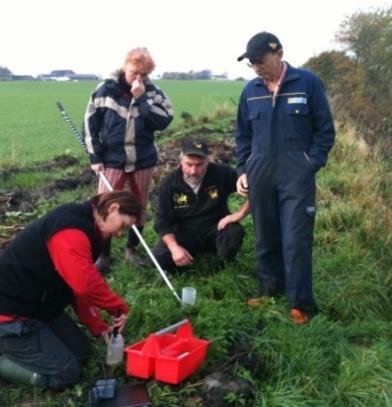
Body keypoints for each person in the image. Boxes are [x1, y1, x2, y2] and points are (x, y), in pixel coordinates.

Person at [235, 32, 335, 324]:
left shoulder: (307, 83)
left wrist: (309, 163)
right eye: (251, 63)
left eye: (260, 61)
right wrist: (243, 169)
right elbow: (242, 135)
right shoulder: (250, 91)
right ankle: (270, 290)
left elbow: (325, 130)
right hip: (260, 173)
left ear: (278, 54)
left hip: (296, 175)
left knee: (296, 239)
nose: (256, 67)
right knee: (265, 236)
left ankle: (301, 304)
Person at [0, 191, 140, 389]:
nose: (119, 234)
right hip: (11, 316)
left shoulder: (91, 230)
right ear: (113, 208)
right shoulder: (70, 229)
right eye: (123, 226)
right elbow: (84, 283)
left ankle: (32, 344)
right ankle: (4, 362)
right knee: (67, 374)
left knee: (82, 352)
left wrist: (98, 327)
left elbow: (76, 288)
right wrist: (117, 307)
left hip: (41, 307)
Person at [83, 47, 174, 271]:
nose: (138, 78)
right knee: (105, 205)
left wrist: (141, 99)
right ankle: (103, 253)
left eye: (143, 74)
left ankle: (131, 250)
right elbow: (90, 124)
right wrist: (95, 156)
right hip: (112, 159)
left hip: (143, 159)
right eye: (134, 73)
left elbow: (163, 121)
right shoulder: (105, 90)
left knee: (139, 205)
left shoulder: (153, 92)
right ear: (125, 66)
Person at [152, 138, 250, 271]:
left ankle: (220, 266)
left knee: (234, 232)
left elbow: (255, 189)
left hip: (215, 228)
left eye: (199, 165)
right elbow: (162, 220)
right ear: (181, 161)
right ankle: (186, 265)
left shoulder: (222, 174)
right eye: (189, 164)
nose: (193, 171)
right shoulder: (169, 184)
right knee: (159, 256)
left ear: (207, 161)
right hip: (185, 232)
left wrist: (239, 214)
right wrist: (174, 248)